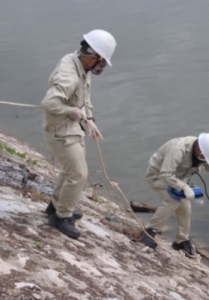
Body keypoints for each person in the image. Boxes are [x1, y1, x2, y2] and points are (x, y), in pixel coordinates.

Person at [41, 29, 117, 239]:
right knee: (78, 174)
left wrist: (90, 119)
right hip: (60, 129)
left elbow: (85, 98)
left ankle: (56, 206)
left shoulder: (79, 63)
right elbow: (49, 103)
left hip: (73, 127)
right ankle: (61, 217)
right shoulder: (69, 76)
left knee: (69, 170)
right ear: (93, 57)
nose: (100, 67)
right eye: (101, 63)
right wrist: (70, 111)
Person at [142, 133, 209, 256]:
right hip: (157, 178)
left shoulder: (202, 152)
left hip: (177, 179)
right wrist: (184, 187)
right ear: (197, 149)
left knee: (185, 207)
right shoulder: (177, 150)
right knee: (173, 200)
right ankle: (149, 232)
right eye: (204, 156)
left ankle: (181, 241)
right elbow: (165, 174)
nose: (204, 159)